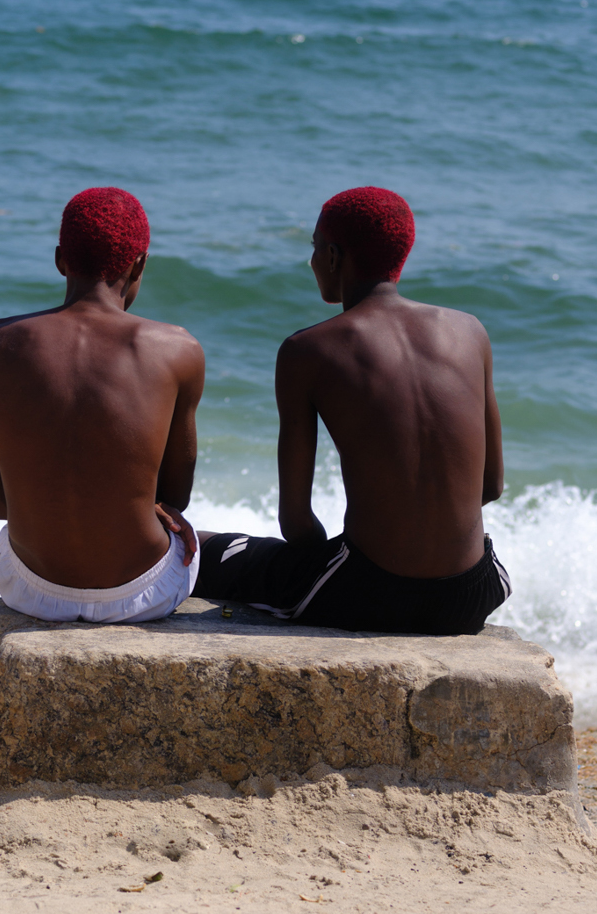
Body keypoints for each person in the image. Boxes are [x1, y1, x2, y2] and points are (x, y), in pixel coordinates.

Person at [196, 186, 509, 635]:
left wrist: (327, 559)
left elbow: (297, 523)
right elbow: (491, 485)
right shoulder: (470, 331)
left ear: (334, 256)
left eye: (314, 248)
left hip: (368, 593)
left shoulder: (307, 350)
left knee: (208, 552)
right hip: (473, 592)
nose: (310, 261)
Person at [0, 186, 205, 623]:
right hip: (144, 592)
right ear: (140, 263)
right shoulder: (178, 349)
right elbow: (175, 499)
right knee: (197, 541)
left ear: (61, 259)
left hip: (31, 588)